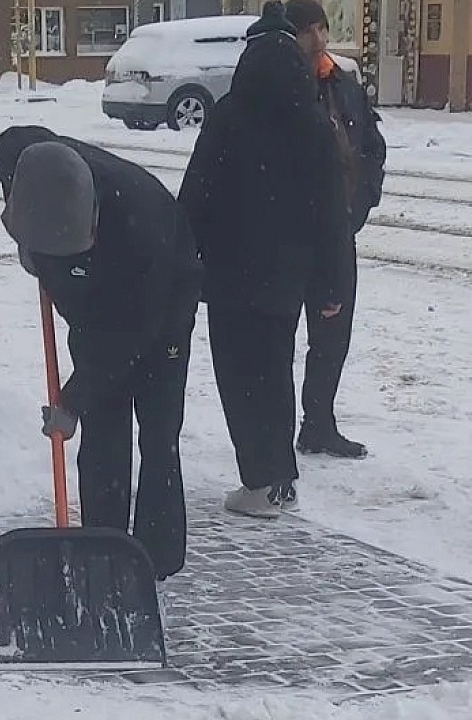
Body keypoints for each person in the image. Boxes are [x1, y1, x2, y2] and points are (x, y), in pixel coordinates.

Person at [0, 128, 204, 581]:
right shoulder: (31, 164)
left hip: (160, 307)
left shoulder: (143, 224)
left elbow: (124, 341)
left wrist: (71, 399)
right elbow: (9, 143)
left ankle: (153, 560)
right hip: (93, 305)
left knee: (158, 430)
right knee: (104, 428)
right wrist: (26, 234)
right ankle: (101, 546)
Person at [178, 0, 351, 518]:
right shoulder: (311, 123)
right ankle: (279, 476)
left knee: (239, 376)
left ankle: (258, 481)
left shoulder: (229, 115)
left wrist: (183, 257)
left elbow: (197, 192)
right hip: (287, 277)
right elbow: (331, 218)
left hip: (230, 273)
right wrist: (330, 287)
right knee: (276, 369)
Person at [285, 0, 386, 460]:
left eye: (322, 28)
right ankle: (276, 430)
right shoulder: (281, 88)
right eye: (309, 30)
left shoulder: (343, 85)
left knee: (331, 338)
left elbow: (371, 145)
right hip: (287, 238)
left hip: (338, 234)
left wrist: (363, 199)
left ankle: (318, 424)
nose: (319, 38)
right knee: (280, 337)